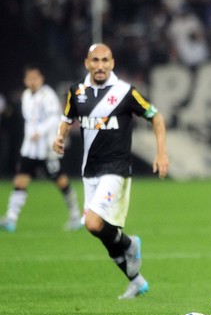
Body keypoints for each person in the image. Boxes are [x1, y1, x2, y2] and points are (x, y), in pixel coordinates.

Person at [52, 43, 169, 299]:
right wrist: (59, 137)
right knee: (99, 231)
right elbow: (66, 119)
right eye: (95, 60)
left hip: (116, 170)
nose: (101, 65)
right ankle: (136, 279)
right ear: (87, 63)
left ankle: (130, 244)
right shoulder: (77, 92)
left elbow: (156, 117)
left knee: (93, 223)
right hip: (90, 171)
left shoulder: (126, 92)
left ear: (112, 63)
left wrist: (161, 153)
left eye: (105, 60)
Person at [0, 65, 81, 233]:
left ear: (41, 79)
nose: (32, 81)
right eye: (29, 79)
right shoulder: (26, 95)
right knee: (20, 179)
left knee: (60, 180)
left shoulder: (47, 95)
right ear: (25, 81)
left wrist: (40, 132)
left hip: (46, 148)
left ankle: (75, 215)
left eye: (35, 78)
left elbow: (55, 117)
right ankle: (11, 218)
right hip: (30, 149)